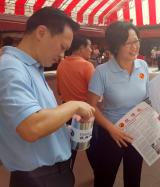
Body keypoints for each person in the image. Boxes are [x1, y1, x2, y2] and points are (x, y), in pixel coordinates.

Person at [0, 7, 95, 187]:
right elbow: (31, 127)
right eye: (62, 47)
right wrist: (73, 106)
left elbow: (38, 118)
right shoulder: (10, 68)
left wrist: (65, 128)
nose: (61, 56)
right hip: (37, 177)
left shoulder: (32, 67)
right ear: (41, 32)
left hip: (52, 172)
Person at [86, 21, 149, 187]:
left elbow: (147, 98)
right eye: (128, 43)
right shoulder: (102, 72)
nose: (134, 47)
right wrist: (111, 129)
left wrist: (157, 112)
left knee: (133, 179)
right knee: (104, 179)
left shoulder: (143, 66)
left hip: (137, 132)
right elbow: (91, 107)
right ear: (115, 46)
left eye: (136, 41)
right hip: (111, 133)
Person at [56, 34, 95, 169]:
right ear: (81, 48)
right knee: (93, 148)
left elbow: (59, 91)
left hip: (66, 113)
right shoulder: (87, 66)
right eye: (89, 46)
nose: (91, 50)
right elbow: (95, 95)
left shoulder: (61, 64)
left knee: (68, 150)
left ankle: (65, 177)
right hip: (85, 114)